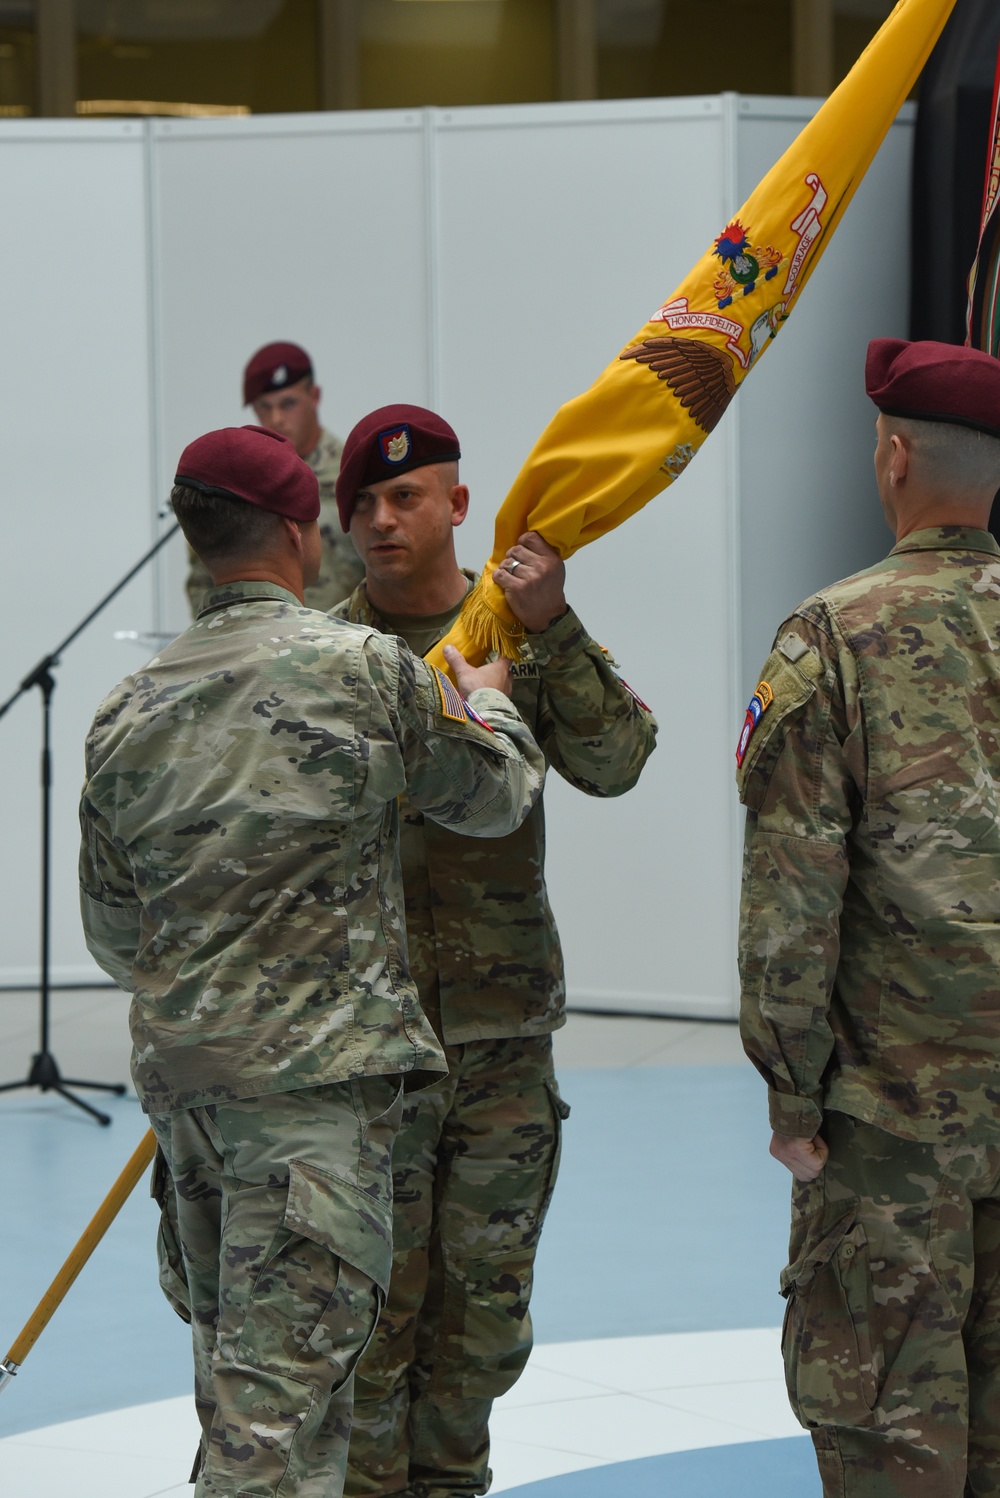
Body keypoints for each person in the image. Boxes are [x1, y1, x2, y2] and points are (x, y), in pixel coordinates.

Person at [78, 423, 546, 1498]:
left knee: (245, 1388)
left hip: (188, 1106)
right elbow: (491, 795)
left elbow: (114, 933)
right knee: (276, 1435)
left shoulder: (126, 710)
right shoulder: (360, 670)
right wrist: (491, 700)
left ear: (193, 541)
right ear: (299, 534)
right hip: (312, 1113)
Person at [330, 403, 658, 1497]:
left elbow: (617, 762)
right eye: (363, 502)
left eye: (406, 495)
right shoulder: (328, 657)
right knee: (372, 1327)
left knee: (479, 1325)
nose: (381, 519)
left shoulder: (513, 632)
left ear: (458, 504)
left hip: (500, 1040)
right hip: (371, 1048)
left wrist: (553, 624)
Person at [737, 338, 1000, 1497]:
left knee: (894, 1431)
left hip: (891, 1124)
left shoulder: (832, 636)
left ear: (891, 457)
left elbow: (793, 893)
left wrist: (791, 1092)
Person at [185, 340, 365, 614]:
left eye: (288, 403)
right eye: (264, 407)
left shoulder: (353, 470)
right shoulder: (240, 480)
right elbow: (203, 573)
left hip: (344, 640)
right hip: (260, 643)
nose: (276, 418)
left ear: (314, 397)